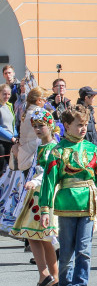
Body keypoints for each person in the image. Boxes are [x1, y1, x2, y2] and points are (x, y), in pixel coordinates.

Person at [39, 105, 97, 286]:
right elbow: (48, 182)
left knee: (84, 251)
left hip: (88, 205)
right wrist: (44, 210)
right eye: (79, 125)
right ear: (67, 125)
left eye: (85, 125)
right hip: (66, 205)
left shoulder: (93, 150)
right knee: (67, 251)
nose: (83, 128)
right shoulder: (58, 152)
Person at [10, 108, 60, 286]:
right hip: (35, 195)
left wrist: (35, 181)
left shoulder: (53, 148)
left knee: (41, 236)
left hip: (44, 195)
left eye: (42, 126)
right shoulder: (41, 146)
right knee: (35, 236)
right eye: (36, 126)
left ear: (50, 126)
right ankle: (47, 275)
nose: (38, 129)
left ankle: (50, 275)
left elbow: (48, 173)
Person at [0, 86, 48, 234]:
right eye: (45, 99)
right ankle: (30, 231)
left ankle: (28, 231)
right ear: (39, 100)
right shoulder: (39, 113)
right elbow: (48, 133)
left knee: (26, 194)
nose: (46, 101)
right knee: (34, 195)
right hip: (34, 157)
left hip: (25, 155)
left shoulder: (27, 111)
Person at [0, 83, 17, 174]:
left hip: (10, 142)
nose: (7, 96)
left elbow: (13, 124)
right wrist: (10, 137)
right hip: (1, 143)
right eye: (4, 94)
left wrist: (16, 136)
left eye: (8, 94)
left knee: (11, 169)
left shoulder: (9, 106)